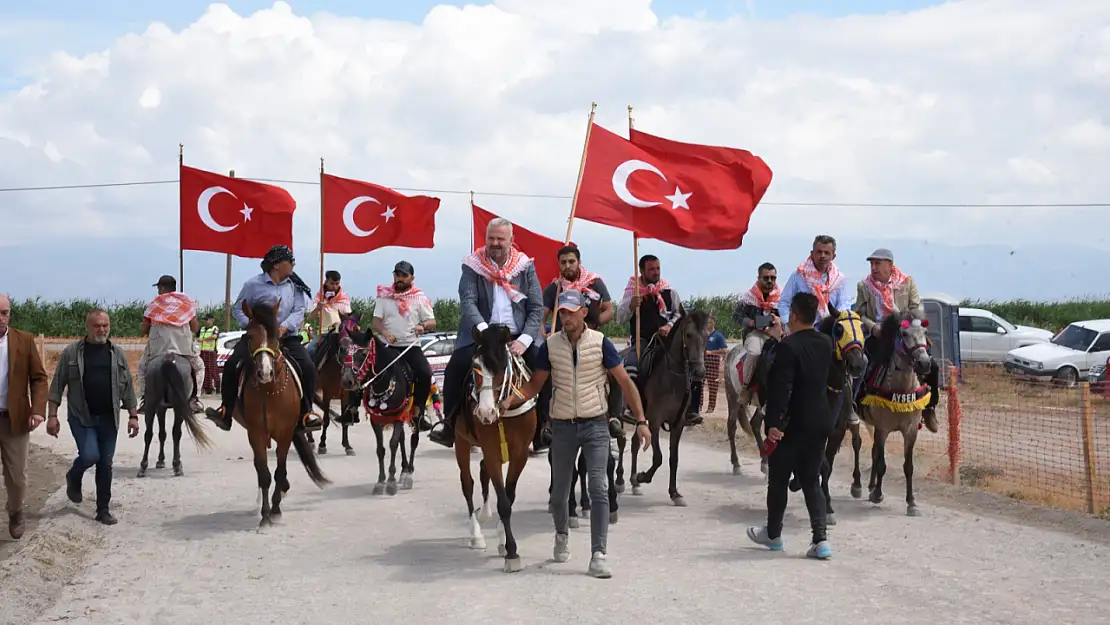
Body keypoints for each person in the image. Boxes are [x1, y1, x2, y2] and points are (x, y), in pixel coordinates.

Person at [511, 290, 651, 578]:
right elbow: (534, 386)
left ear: (584, 312)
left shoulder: (601, 344)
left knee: (598, 487)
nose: (565, 317)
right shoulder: (549, 346)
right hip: (562, 426)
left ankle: (598, 554)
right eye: (562, 312)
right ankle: (561, 533)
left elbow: (624, 382)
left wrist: (641, 420)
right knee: (559, 494)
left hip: (595, 424)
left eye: (571, 312)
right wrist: (508, 402)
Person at [428, 218, 544, 448]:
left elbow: (536, 307)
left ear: (511, 240)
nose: (495, 243)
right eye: (491, 238)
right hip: (481, 334)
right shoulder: (472, 265)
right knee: (456, 368)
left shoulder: (525, 266)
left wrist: (524, 340)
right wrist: (483, 334)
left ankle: (545, 428)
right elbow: (468, 302)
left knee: (545, 368)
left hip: (517, 336)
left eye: (501, 238)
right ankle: (450, 425)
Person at [746, 292, 834, 560]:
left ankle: (774, 534)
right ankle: (820, 540)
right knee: (811, 480)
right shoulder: (826, 343)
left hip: (790, 424)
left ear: (793, 315)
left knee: (779, 480)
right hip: (819, 420)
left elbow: (781, 388)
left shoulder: (787, 347)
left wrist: (772, 424)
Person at [203, 245, 324, 432]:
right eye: (289, 261)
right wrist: (252, 325)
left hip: (286, 336)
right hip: (258, 337)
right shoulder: (253, 285)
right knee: (231, 365)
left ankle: (306, 413)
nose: (293, 264)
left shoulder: (295, 286)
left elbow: (299, 310)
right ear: (276, 265)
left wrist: (284, 327)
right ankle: (226, 412)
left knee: (308, 367)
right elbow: (237, 308)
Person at [46, 308, 140, 526]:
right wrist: (52, 416)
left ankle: (103, 509)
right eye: (97, 325)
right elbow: (57, 385)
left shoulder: (117, 354)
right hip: (81, 416)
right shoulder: (71, 353)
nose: (101, 329)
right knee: (90, 455)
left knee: (105, 463)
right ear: (87, 327)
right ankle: (74, 476)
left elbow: (128, 389)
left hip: (109, 417)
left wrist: (133, 416)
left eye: (105, 325)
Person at [854, 248, 939, 432]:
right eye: (871, 264)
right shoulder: (864, 286)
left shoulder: (907, 282)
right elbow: (859, 314)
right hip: (878, 334)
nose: (873, 268)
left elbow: (916, 308)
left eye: (877, 263)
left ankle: (929, 407)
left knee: (931, 363)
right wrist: (873, 327)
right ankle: (857, 405)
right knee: (865, 363)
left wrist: (904, 323)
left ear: (890, 265)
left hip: (906, 332)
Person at [540, 244, 616, 446]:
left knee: (616, 372)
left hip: (591, 338)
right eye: (563, 263)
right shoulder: (554, 288)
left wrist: (595, 322)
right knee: (543, 375)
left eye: (571, 261)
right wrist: (545, 332)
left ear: (579, 262)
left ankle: (614, 416)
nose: (568, 266)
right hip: (561, 342)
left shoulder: (594, 283)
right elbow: (541, 317)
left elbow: (610, 310)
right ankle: (546, 422)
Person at [614, 254, 693, 424]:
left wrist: (669, 326)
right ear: (642, 271)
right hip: (643, 339)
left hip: (667, 340)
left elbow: (679, 314)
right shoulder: (633, 292)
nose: (656, 272)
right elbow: (619, 318)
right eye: (651, 269)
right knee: (632, 365)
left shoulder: (669, 291)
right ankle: (631, 407)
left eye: (658, 268)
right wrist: (631, 306)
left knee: (692, 364)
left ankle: (691, 409)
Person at [0, 293, 50, 539]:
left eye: (5, 312)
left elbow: (39, 378)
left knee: (17, 476)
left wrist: (38, 410)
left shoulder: (24, 340)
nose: (1, 318)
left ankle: (16, 511)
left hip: (14, 419)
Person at [373, 260, 436, 430]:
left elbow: (432, 321)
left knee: (424, 373)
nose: (400, 278)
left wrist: (422, 326)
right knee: (366, 370)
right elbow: (376, 321)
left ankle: (418, 413)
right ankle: (356, 408)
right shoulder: (383, 296)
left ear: (412, 278)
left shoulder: (419, 297)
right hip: (388, 346)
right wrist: (386, 334)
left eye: (404, 275)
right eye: (397, 274)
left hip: (410, 346)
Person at [136, 275, 205, 415]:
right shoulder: (186, 304)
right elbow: (195, 328)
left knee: (142, 367)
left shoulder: (154, 305)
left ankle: (145, 399)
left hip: (158, 349)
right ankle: (193, 399)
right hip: (183, 349)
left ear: (161, 288)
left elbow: (143, 330)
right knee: (199, 367)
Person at [733, 262, 782, 404]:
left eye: (773, 278)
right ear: (759, 278)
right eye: (766, 278)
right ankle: (745, 388)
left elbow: (786, 317)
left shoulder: (781, 298)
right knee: (754, 353)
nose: (770, 281)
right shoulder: (748, 297)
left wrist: (779, 321)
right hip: (755, 334)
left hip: (777, 333)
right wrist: (752, 322)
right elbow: (736, 316)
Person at [778, 235, 854, 325]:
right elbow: (784, 303)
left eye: (827, 253)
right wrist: (788, 324)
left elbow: (844, 305)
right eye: (819, 252)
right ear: (812, 253)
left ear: (833, 256)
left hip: (831, 330)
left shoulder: (839, 279)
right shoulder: (799, 276)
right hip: (803, 330)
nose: (822, 256)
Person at [305, 270, 351, 365]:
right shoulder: (319, 298)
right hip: (324, 333)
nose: (334, 286)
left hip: (340, 333)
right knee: (311, 349)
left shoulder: (344, 298)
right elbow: (310, 317)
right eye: (332, 283)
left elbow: (348, 317)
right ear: (326, 282)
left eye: (337, 283)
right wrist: (317, 308)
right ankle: (312, 373)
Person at [700, 316, 728, 414]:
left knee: (712, 386)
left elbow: (724, 350)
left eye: (709, 323)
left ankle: (711, 407)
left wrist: (711, 352)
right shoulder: (702, 335)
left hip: (713, 362)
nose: (707, 325)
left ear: (713, 323)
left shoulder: (718, 336)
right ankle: (699, 406)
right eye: (706, 323)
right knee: (699, 385)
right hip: (702, 362)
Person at [197, 315, 220, 395]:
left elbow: (214, 337)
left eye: (207, 320)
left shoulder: (215, 328)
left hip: (211, 351)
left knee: (212, 370)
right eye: (205, 320)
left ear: (212, 320)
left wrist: (202, 339)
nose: (206, 321)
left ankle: (217, 387)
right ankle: (206, 388)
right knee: (204, 369)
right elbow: (196, 337)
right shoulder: (202, 329)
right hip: (202, 351)